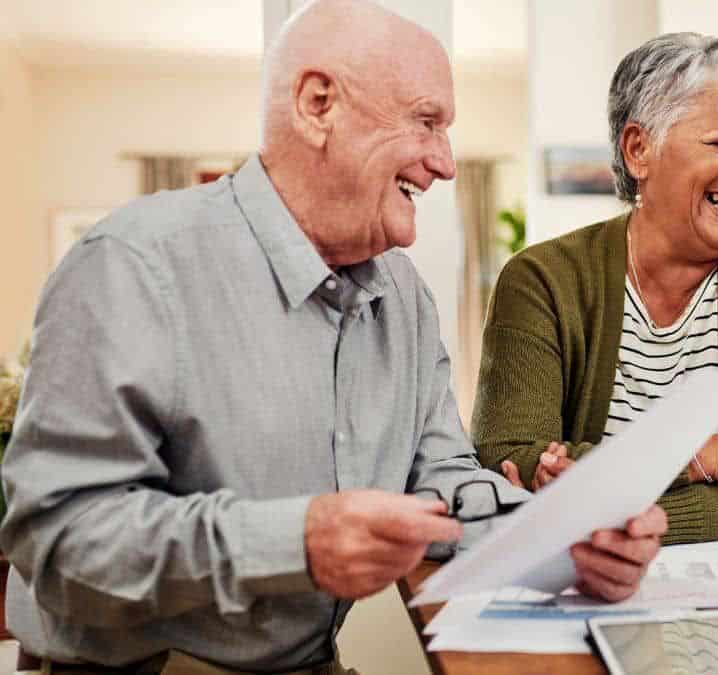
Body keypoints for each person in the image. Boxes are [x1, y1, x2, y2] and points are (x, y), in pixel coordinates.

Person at [0, 1, 666, 671]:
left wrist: (564, 538)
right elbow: (58, 541)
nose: (445, 163)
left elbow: (445, 480)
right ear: (318, 104)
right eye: (426, 121)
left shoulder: (402, 295)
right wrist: (296, 539)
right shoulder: (131, 265)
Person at [472, 33, 718, 545]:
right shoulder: (540, 281)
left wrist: (590, 509)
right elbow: (510, 462)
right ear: (639, 149)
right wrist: (705, 455)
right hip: (574, 595)